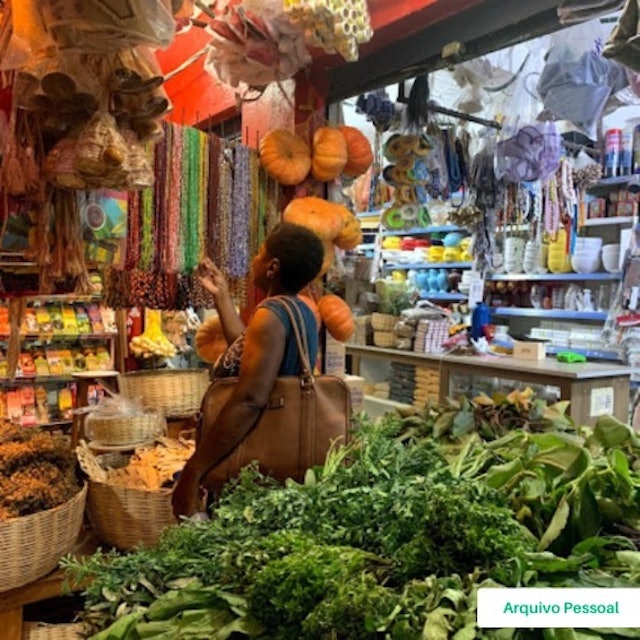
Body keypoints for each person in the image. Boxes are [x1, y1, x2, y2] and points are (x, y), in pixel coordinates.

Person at [172, 221, 324, 518]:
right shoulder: (301, 310)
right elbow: (244, 353)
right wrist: (221, 296)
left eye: (260, 253)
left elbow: (249, 401)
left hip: (253, 461)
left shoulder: (270, 315)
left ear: (272, 267)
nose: (254, 259)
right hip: (280, 455)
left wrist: (195, 469)